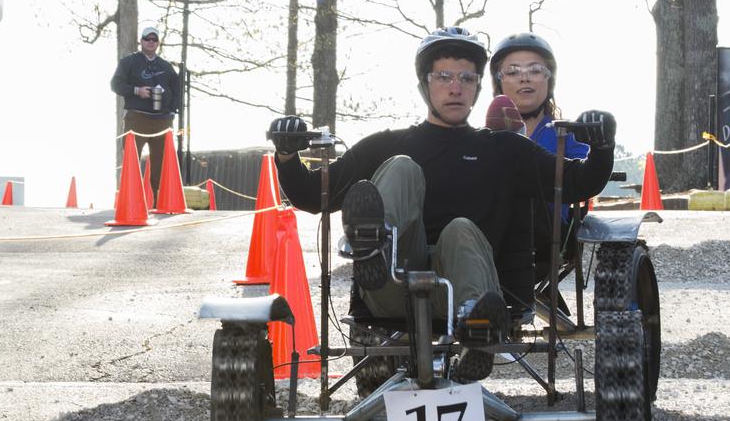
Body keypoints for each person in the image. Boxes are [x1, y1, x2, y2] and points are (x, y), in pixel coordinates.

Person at [268, 27, 616, 384]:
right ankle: (376, 247)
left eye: (467, 78)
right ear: (425, 84)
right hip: (391, 285)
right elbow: (312, 196)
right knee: (401, 166)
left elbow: (577, 183)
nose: (455, 87)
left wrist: (602, 144)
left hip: (468, 294)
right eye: (444, 77)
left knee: (460, 229)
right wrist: (287, 153)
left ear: (478, 87)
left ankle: (475, 333)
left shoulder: (506, 150)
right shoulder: (384, 145)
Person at [488, 32, 590, 279]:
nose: (524, 77)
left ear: (548, 79)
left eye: (534, 70)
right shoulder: (482, 137)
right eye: (512, 72)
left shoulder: (568, 135)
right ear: (499, 82)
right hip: (489, 233)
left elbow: (584, 178)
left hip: (548, 236)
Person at [109, 26, 182, 192]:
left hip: (163, 121)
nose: (150, 42)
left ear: (158, 43)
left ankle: (160, 203)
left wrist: (171, 110)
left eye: (154, 39)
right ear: (141, 41)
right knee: (131, 161)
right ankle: (129, 202)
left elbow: (177, 90)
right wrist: (137, 91)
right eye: (147, 39)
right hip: (137, 119)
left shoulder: (166, 66)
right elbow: (115, 84)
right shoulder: (129, 62)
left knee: (161, 165)